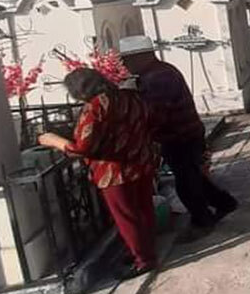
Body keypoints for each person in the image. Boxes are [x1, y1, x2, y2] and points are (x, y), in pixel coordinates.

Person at [37, 68, 159, 277]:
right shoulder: (130, 97)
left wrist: (54, 140)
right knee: (143, 209)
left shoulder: (95, 107)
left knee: (125, 216)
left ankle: (143, 260)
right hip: (140, 161)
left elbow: (82, 148)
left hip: (113, 170)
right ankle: (143, 249)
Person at [119, 36, 237, 241]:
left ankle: (202, 221)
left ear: (140, 57)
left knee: (186, 183)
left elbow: (156, 114)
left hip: (180, 136)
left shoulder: (156, 78)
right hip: (185, 133)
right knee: (192, 176)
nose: (125, 65)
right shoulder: (159, 71)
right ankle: (224, 203)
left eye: (127, 60)